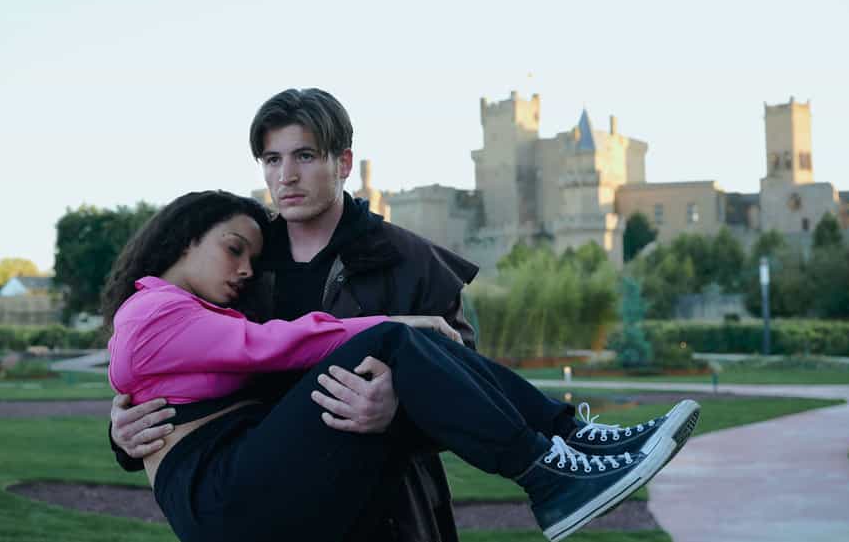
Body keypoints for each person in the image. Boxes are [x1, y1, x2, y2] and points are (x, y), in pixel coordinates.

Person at [108, 88, 699, 540]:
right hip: (269, 498)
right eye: (271, 159)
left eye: (305, 155)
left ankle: (576, 442)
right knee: (393, 340)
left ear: (343, 163)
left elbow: (464, 391)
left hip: (386, 516)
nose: (285, 175)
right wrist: (123, 429)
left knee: (410, 350)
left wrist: (393, 412)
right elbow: (188, 371)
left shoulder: (409, 260)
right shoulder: (241, 263)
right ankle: (557, 469)